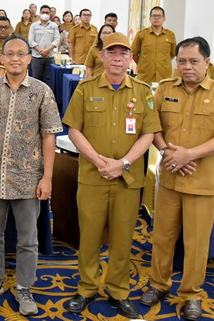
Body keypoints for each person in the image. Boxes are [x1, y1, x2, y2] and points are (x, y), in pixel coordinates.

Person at [62, 32, 161, 318]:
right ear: (102, 57)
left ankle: (119, 290)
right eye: (112, 53)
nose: (117, 58)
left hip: (127, 179)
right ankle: (87, 288)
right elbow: (74, 130)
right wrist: (98, 160)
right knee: (89, 236)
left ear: (131, 59)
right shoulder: (86, 88)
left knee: (122, 238)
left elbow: (149, 133)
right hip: (93, 176)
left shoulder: (142, 92)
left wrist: (124, 163)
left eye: (123, 53)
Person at [140, 37, 214, 321]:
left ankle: (192, 293)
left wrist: (190, 154)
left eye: (194, 61)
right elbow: (152, 124)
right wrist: (168, 152)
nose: (187, 67)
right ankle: (158, 284)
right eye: (181, 61)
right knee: (162, 237)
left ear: (207, 62)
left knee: (196, 243)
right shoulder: (166, 89)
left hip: (202, 182)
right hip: (170, 177)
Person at [0, 34, 62, 316]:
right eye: (10, 54)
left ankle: (24, 287)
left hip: (28, 179)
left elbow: (48, 137)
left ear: (30, 58)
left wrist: (47, 177)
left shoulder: (43, 91)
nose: (16, 58)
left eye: (21, 53)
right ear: (2, 58)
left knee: (27, 239)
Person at [131, 6, 176, 84]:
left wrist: (161, 61)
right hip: (145, 78)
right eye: (154, 16)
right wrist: (144, 64)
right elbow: (134, 54)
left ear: (164, 19)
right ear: (150, 19)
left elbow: (172, 54)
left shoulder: (170, 35)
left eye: (159, 16)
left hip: (164, 78)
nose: (156, 18)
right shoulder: (141, 34)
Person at [28, 5, 60, 86]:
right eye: (43, 12)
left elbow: (56, 40)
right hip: (37, 57)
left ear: (50, 14)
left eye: (47, 12)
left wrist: (46, 51)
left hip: (50, 57)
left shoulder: (54, 26)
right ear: (40, 13)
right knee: (36, 80)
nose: (45, 14)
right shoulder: (34, 25)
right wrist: (41, 51)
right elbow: (31, 41)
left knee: (49, 80)